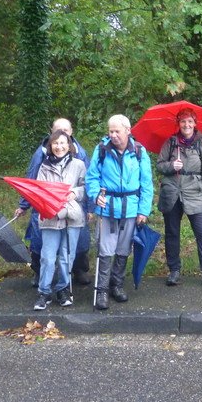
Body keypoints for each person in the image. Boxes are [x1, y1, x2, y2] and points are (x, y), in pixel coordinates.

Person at [85, 115, 154, 310]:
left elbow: (146, 183)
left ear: (128, 131)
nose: (113, 135)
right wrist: (95, 195)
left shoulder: (139, 151)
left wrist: (143, 210)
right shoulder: (101, 150)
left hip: (130, 208)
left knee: (123, 249)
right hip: (107, 207)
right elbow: (92, 177)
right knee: (105, 249)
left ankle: (117, 285)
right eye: (111, 131)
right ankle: (102, 290)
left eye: (117, 131)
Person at [15, 118, 92, 288]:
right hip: (46, 206)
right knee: (39, 242)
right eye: (58, 130)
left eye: (66, 130)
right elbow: (32, 180)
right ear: (51, 133)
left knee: (79, 241)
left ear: (71, 132)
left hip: (73, 207)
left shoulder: (80, 154)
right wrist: (23, 205)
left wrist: (90, 208)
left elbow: (88, 183)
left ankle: (79, 270)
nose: (62, 134)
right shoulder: (40, 155)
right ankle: (39, 272)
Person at [157, 108, 202, 289]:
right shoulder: (171, 143)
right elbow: (160, 165)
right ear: (178, 124)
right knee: (172, 233)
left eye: (189, 121)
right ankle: (174, 271)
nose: (186, 125)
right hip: (172, 193)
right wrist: (172, 166)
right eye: (183, 121)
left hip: (195, 193)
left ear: (195, 123)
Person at [31, 130, 86, 310]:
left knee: (66, 257)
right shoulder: (44, 167)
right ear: (50, 146)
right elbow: (40, 191)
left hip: (72, 217)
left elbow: (86, 187)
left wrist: (75, 193)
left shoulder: (78, 164)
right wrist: (52, 202)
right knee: (47, 257)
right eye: (55, 143)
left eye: (63, 143)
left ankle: (63, 289)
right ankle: (44, 292)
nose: (59, 146)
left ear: (69, 145)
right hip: (50, 217)